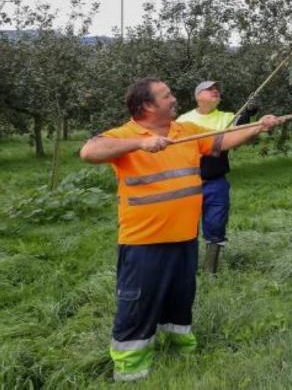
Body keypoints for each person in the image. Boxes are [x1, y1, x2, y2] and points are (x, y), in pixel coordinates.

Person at [79, 77, 279, 382]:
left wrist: (259, 126)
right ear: (147, 106)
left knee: (180, 297)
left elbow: (222, 141)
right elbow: (89, 151)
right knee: (137, 304)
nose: (174, 99)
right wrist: (140, 143)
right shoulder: (125, 135)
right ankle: (131, 370)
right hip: (144, 242)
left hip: (185, 237)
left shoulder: (184, 131)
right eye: (166, 95)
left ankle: (181, 350)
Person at [176, 80, 256, 275]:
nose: (215, 91)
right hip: (188, 181)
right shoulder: (183, 121)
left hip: (216, 180)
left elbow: (240, 131)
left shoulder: (228, 117)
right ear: (198, 96)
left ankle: (209, 270)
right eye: (209, 89)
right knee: (185, 226)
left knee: (216, 223)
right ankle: (186, 269)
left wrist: (248, 112)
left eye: (217, 90)